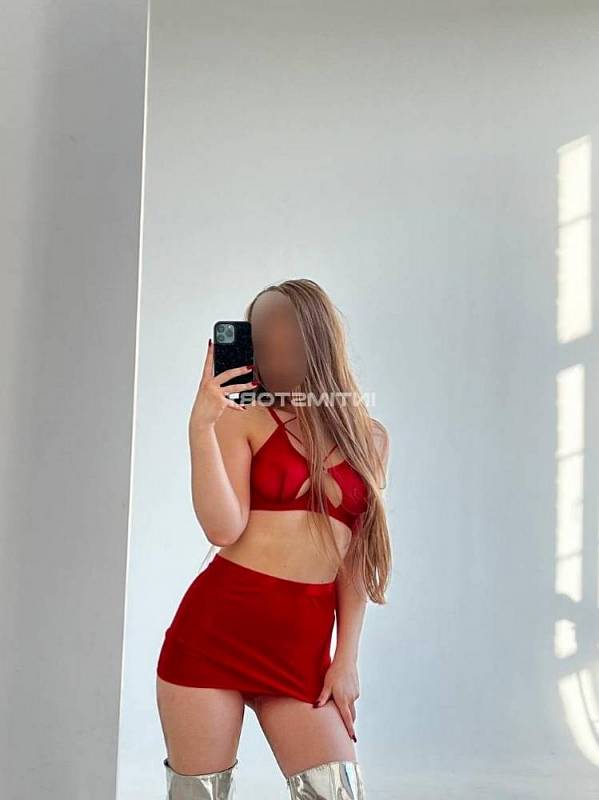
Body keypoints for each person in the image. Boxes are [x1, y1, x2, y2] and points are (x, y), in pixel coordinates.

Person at [155, 278, 391, 799]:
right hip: (214, 636)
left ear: (317, 336)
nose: (271, 344)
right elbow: (222, 528)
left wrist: (346, 659)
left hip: (301, 653)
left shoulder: (369, 438)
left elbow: (356, 560)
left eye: (284, 330)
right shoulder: (244, 418)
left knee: (337, 792)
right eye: (260, 334)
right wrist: (201, 426)